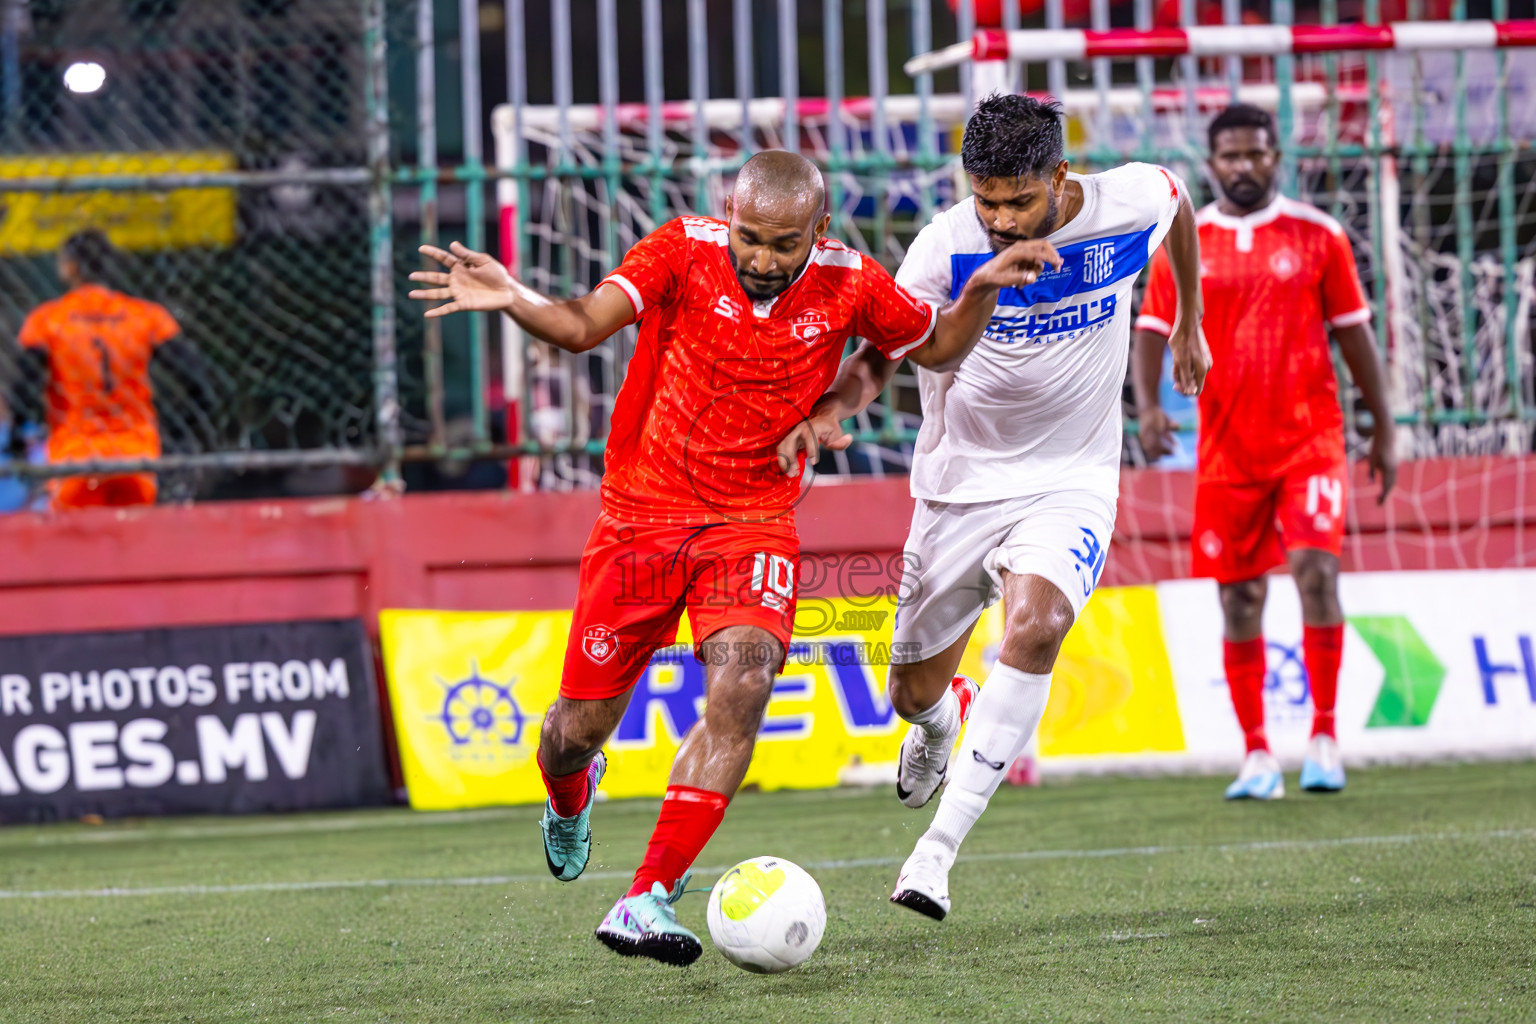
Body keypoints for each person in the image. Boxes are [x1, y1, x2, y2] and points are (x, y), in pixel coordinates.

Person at [409, 150, 1050, 965]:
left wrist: (981, 289)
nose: (762, 259)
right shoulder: (680, 249)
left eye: (784, 245)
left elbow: (932, 347)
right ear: (729, 216)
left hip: (752, 520)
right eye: (750, 238)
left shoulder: (851, 282)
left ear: (818, 232)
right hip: (638, 520)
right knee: (574, 732)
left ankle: (647, 896)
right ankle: (570, 796)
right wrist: (514, 297)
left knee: (745, 682)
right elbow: (578, 326)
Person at [794, 93, 1209, 922]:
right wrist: (839, 406)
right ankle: (943, 727)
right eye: (985, 199)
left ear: (1060, 176)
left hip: (1073, 479)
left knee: (1039, 624)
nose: (999, 217)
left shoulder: (1127, 202)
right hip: (957, 488)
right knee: (912, 692)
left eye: (1018, 200)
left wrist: (1189, 323)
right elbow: (886, 350)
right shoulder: (944, 246)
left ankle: (935, 853)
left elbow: (1180, 204)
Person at [1133, 103, 1397, 801]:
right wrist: (1150, 407)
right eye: (1230, 157)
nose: (1244, 167)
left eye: (1256, 154)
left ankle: (1325, 737)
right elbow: (1152, 329)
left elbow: (1355, 335)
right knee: (1240, 597)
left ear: (1276, 156)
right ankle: (1255, 753)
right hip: (1224, 450)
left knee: (1316, 572)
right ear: (1212, 162)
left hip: (1311, 439)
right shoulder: (1188, 241)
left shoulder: (1318, 235)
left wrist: (1385, 426)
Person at [12, 230, 182, 509]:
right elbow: (194, 377)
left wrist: (20, 434)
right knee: (131, 537)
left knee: (77, 544)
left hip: (75, 456)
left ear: (70, 268)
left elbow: (24, 383)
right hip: (135, 453)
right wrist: (177, 432)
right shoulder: (145, 316)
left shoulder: (48, 320)